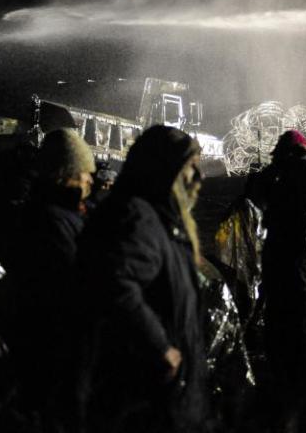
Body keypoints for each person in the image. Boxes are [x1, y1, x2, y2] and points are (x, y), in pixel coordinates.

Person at [78, 126, 209, 433]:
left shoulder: (155, 218)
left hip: (161, 399)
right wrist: (161, 349)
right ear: (164, 170)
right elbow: (114, 283)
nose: (198, 178)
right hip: (146, 401)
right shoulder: (137, 218)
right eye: (190, 168)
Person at [1, 128, 96, 428]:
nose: (91, 180)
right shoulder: (49, 222)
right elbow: (73, 285)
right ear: (65, 174)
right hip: (54, 352)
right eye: (85, 172)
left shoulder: (60, 213)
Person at [257, 129, 306, 429]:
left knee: (296, 338)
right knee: (289, 336)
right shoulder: (296, 173)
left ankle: (298, 406)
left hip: (299, 271)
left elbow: (300, 221)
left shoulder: (305, 172)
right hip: (297, 269)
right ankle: (292, 401)